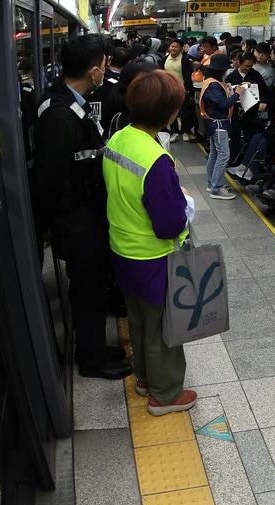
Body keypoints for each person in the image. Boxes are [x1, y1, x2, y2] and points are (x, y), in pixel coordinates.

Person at [33, 35, 132, 380]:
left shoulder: (69, 102)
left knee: (92, 288)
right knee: (88, 291)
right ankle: (91, 359)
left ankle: (94, 346)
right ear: (93, 72)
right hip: (77, 223)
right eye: (104, 66)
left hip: (85, 216)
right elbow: (50, 178)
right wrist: (46, 227)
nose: (106, 71)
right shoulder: (59, 116)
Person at [103, 71, 197, 417]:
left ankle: (143, 377)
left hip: (122, 247)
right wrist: (184, 203)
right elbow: (169, 224)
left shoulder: (119, 138)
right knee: (163, 328)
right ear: (168, 113)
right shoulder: (155, 159)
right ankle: (165, 394)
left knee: (140, 320)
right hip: (154, 257)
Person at [199, 52, 239, 200]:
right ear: (221, 70)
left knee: (215, 154)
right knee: (223, 155)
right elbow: (223, 104)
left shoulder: (211, 81)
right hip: (218, 124)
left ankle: (212, 184)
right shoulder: (213, 85)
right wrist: (237, 94)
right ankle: (216, 188)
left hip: (213, 123)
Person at [162, 39, 196, 141]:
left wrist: (187, 89)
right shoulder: (165, 59)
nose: (173, 48)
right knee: (171, 112)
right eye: (172, 46)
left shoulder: (185, 60)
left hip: (182, 90)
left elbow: (188, 76)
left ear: (181, 48)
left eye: (176, 46)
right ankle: (174, 132)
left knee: (184, 112)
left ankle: (185, 131)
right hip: (169, 90)